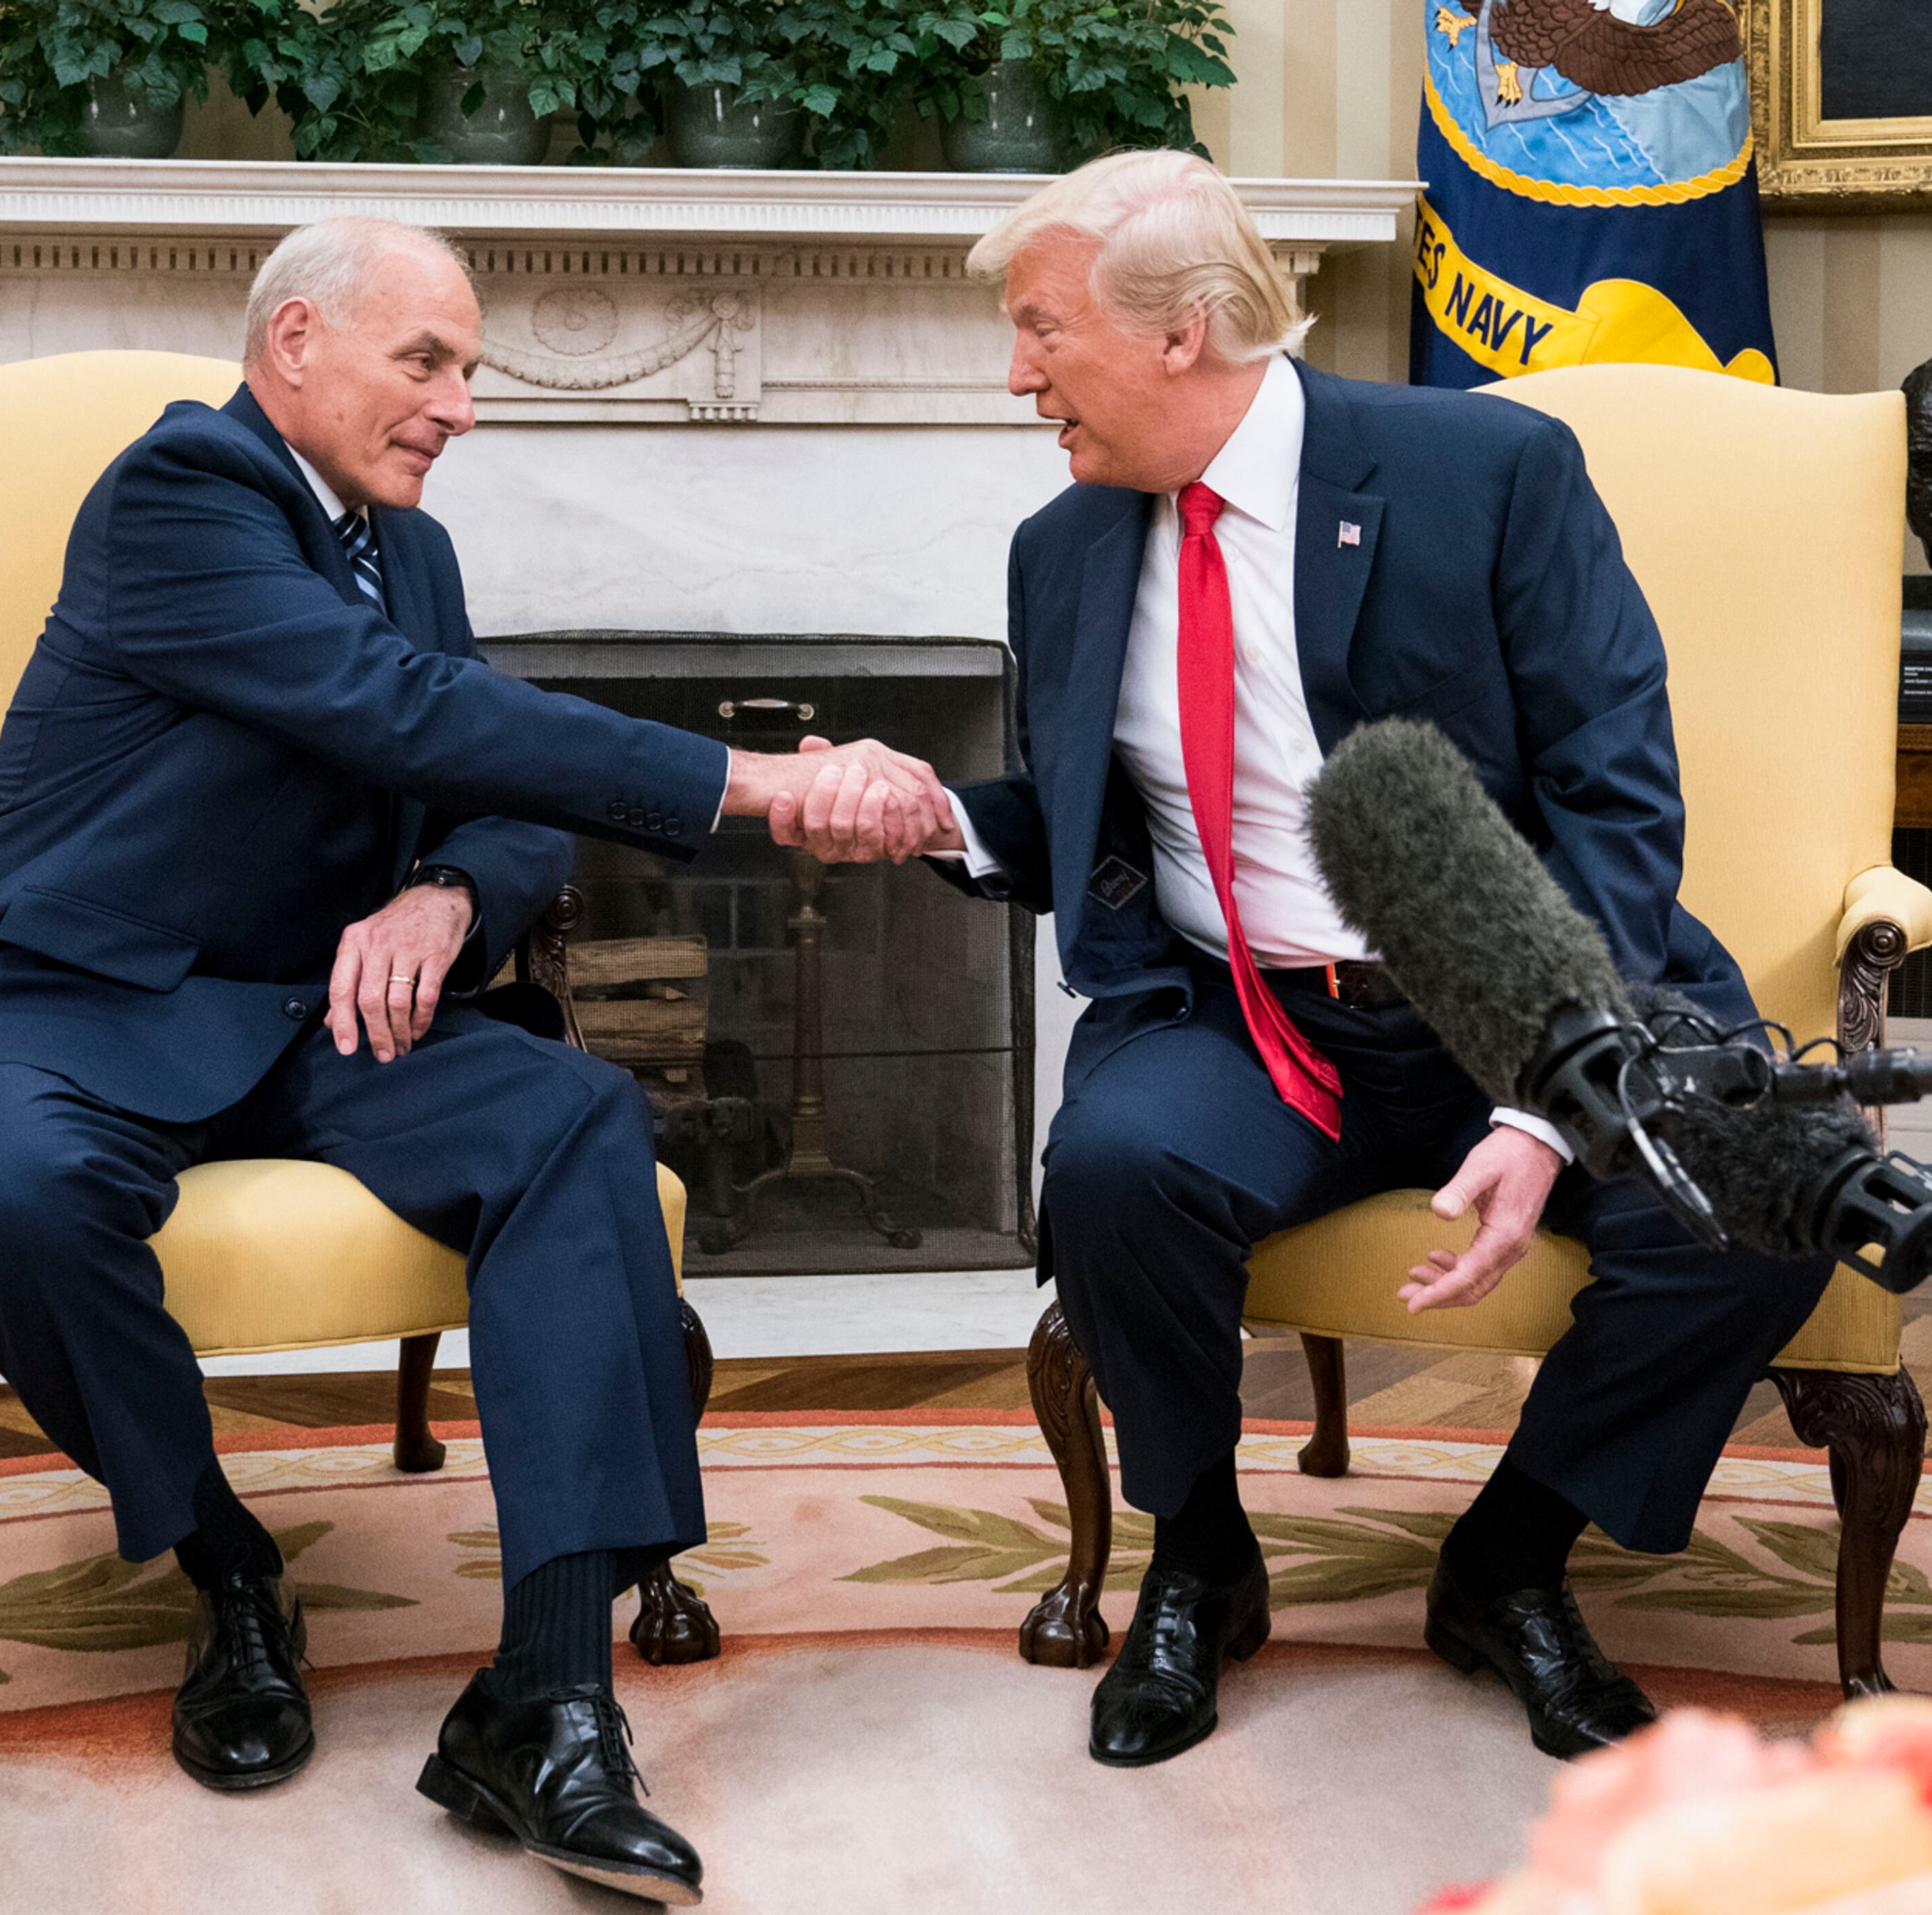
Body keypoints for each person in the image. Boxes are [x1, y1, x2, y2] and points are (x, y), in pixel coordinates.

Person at [0, 216, 949, 1903]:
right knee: (24, 1202)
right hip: (72, 1001)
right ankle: (228, 1566)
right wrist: (753, 783)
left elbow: (498, 782)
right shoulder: (180, 493)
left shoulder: (409, 548)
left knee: (576, 1115)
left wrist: (447, 893)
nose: (462, 405)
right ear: (296, 342)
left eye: (470, 369)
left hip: (323, 1012)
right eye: (428, 361)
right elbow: (405, 710)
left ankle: (546, 1701)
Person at [775, 152, 1834, 1769]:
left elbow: (1617, 801)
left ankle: (1512, 1559)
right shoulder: (1065, 549)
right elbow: (1096, 814)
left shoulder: (1489, 471)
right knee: (1116, 1169)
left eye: (1042, 330)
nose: (1018, 375)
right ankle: (1201, 1559)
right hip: (1255, 1020)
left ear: (1182, 331)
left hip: (1525, 993)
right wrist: (937, 817)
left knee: (1770, 1196)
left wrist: (1544, 1101)